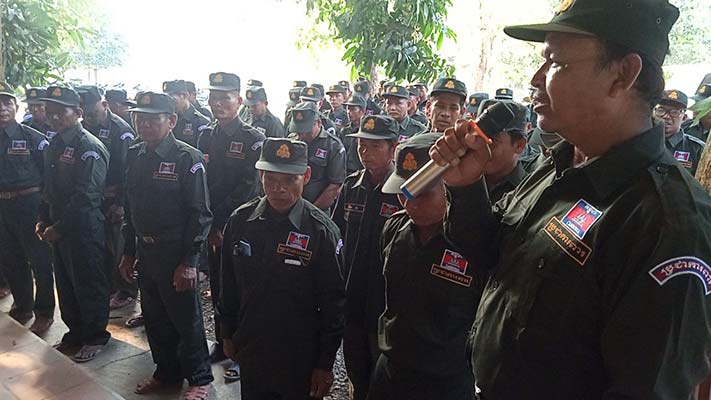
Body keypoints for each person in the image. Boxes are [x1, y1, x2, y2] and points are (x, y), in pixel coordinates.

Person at [430, 0, 711, 397]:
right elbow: (495, 256)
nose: (536, 78)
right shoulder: (559, 163)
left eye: (556, 63)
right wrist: (466, 187)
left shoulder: (666, 223)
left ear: (622, 74)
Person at [220, 137, 345, 400]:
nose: (278, 188)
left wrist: (324, 363)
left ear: (306, 176)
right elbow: (228, 283)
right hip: (252, 345)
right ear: (260, 175)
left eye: (289, 179)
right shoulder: (241, 221)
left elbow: (333, 303)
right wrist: (228, 332)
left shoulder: (321, 232)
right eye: (271, 179)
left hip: (299, 353)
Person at [368, 133, 482, 400]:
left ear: (450, 186)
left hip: (445, 381)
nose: (410, 203)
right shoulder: (394, 227)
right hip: (392, 370)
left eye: (422, 193)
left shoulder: (473, 241)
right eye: (404, 193)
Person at [118, 92, 213, 400]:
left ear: (171, 121)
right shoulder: (135, 153)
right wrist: (128, 252)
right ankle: (166, 372)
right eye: (139, 118)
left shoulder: (187, 158)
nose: (144, 124)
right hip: (146, 250)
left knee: (186, 319)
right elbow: (131, 206)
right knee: (155, 316)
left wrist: (189, 262)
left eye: (152, 119)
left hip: (175, 252)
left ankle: (199, 377)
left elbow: (200, 214)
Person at [197, 71, 266, 379]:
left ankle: (242, 350)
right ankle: (222, 342)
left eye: (224, 98)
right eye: (213, 98)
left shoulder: (253, 139)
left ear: (238, 100)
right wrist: (209, 222)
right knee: (218, 284)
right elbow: (201, 181)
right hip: (212, 224)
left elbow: (249, 187)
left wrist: (220, 221)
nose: (218, 104)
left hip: (240, 225)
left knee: (243, 286)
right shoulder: (206, 135)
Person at [37, 86, 110, 363]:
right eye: (50, 112)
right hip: (58, 226)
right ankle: (75, 332)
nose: (54, 117)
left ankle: (95, 336)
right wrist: (43, 219)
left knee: (88, 282)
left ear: (78, 113)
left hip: (83, 227)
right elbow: (48, 187)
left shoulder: (89, 147)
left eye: (61, 112)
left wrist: (59, 227)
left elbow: (86, 196)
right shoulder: (54, 143)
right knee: (66, 283)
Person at [331, 114, 401, 400]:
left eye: (374, 146)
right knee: (356, 365)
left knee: (385, 373)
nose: (365, 152)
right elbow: (336, 234)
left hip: (386, 300)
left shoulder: (404, 190)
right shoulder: (351, 186)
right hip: (353, 295)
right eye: (361, 145)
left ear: (393, 148)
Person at [0, 82, 55, 333]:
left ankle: (44, 312)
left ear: (16, 107)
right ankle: (23, 306)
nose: (2, 108)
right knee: (10, 257)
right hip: (2, 206)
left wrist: (45, 213)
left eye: (7, 103)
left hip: (29, 204)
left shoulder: (33, 138)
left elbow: (48, 178)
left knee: (40, 259)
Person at [77, 85, 138, 311]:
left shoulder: (121, 130)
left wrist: (121, 203)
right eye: (84, 112)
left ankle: (127, 290)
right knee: (100, 246)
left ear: (104, 105)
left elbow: (128, 171)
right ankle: (109, 287)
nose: (89, 117)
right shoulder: (83, 127)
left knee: (119, 246)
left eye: (92, 112)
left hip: (115, 197)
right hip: (94, 198)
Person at [287, 102, 346, 212]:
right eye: (299, 130)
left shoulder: (333, 146)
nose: (302, 135)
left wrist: (311, 212)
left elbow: (335, 186)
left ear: (318, 123)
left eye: (306, 131)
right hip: (290, 205)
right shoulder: (291, 141)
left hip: (318, 208)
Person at [480, 100, 530, 202]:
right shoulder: (462, 176)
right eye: (479, 137)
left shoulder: (527, 191)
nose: (479, 147)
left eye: (491, 141)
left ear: (519, 145)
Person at [656, 89, 705, 175]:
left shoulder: (697, 149)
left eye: (674, 112)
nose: (666, 116)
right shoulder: (641, 142)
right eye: (661, 110)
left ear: (684, 118)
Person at [162, 80, 210, 148]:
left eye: (173, 100)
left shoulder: (200, 122)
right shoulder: (167, 120)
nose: (169, 104)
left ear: (185, 96)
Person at [340, 95, 367, 174]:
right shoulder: (344, 131)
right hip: (344, 171)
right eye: (348, 109)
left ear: (363, 111)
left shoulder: (367, 132)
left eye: (353, 109)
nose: (349, 112)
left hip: (360, 172)